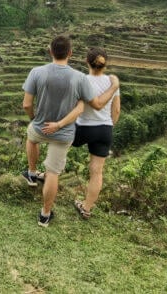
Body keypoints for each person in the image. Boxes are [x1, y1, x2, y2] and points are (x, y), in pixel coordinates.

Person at [21, 35, 119, 227]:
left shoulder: (37, 72)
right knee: (61, 172)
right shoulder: (81, 78)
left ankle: (32, 173)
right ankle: (48, 214)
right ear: (70, 53)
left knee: (32, 137)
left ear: (50, 51)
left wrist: (35, 119)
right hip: (77, 131)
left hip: (55, 127)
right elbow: (96, 107)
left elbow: (26, 104)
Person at [71, 47, 121, 220]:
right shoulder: (112, 82)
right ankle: (86, 208)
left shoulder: (82, 80)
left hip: (83, 128)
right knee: (97, 171)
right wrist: (109, 127)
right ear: (105, 65)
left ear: (87, 61)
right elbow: (116, 110)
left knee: (58, 145)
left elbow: (74, 106)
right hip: (104, 129)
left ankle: (46, 176)